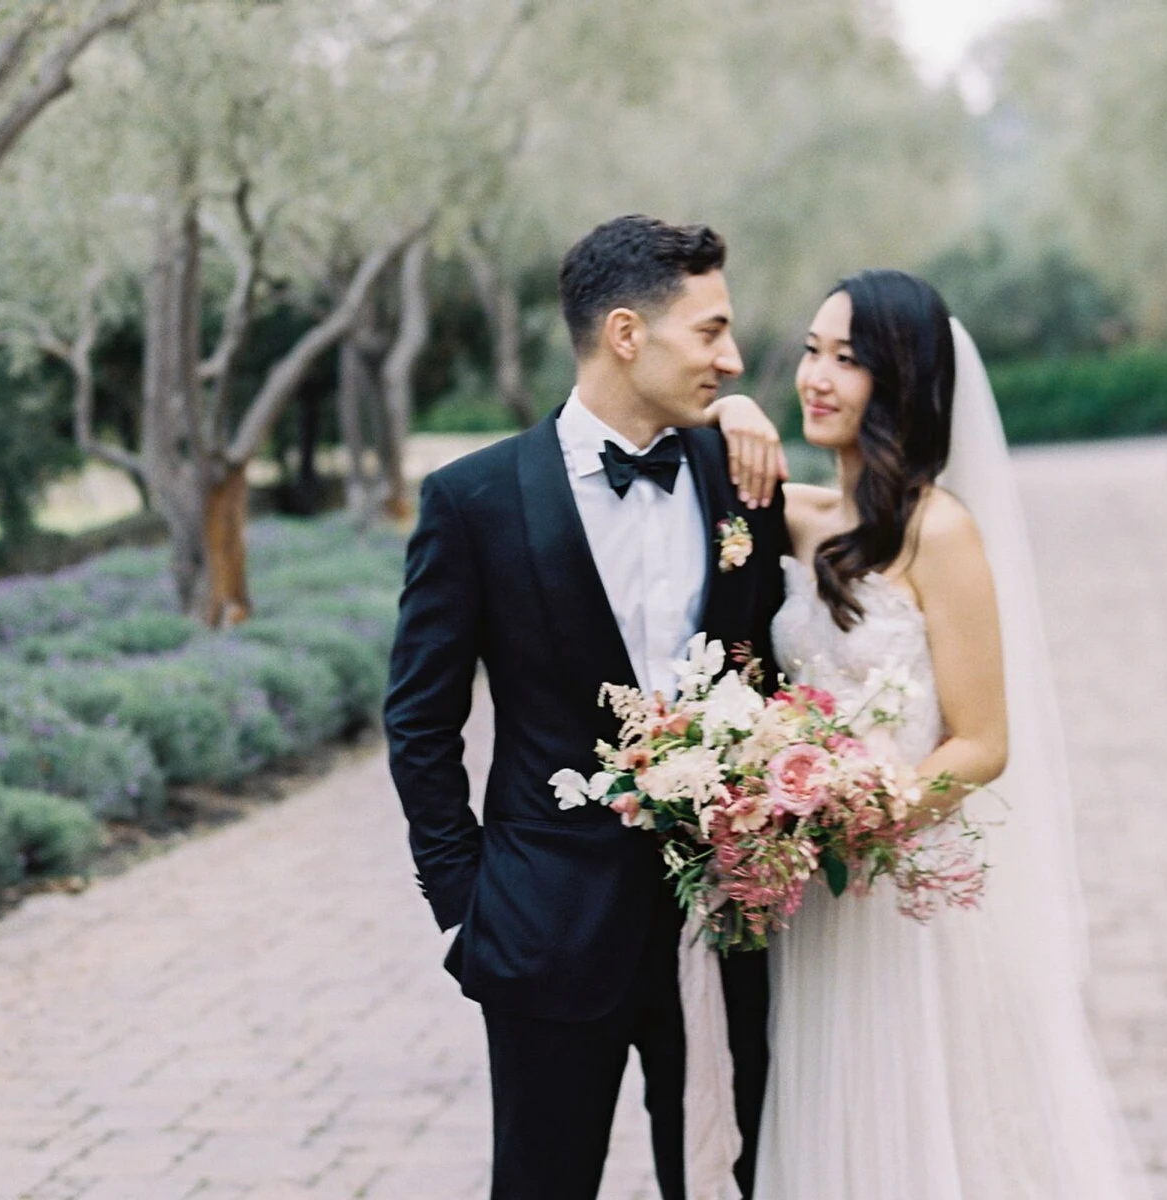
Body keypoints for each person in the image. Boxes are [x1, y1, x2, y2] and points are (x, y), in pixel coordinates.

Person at [383, 214, 791, 1200]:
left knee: (720, 1181)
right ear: (624, 334)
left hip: (720, 925)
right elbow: (420, 722)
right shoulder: (472, 502)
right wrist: (459, 912)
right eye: (709, 332)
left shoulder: (742, 483)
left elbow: (770, 668)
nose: (731, 360)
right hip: (541, 929)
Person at [752, 270, 1145, 1196]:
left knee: (922, 1129)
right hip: (811, 900)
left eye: (847, 360)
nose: (816, 376)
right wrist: (734, 407)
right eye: (811, 352)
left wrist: (862, 820)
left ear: (901, 380)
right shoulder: (801, 518)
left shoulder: (943, 532)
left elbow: (981, 740)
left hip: (895, 891)